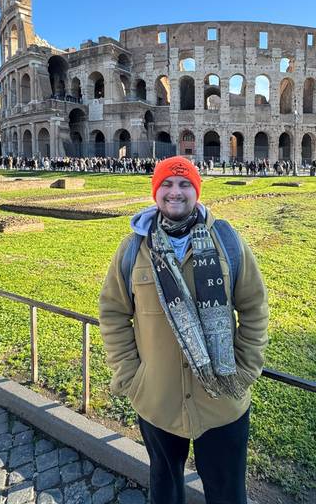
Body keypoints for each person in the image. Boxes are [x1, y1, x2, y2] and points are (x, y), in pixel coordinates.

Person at [99, 156, 268, 504]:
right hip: (158, 399)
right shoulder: (134, 248)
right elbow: (113, 312)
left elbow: (254, 306)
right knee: (165, 490)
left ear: (197, 191)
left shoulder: (227, 243)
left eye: (185, 184)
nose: (175, 192)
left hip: (224, 400)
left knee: (227, 495)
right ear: (155, 191)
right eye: (167, 184)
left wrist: (247, 367)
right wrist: (131, 376)